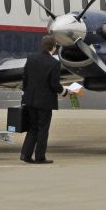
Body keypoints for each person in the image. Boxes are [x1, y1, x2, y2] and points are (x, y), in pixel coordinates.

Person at [20, 35, 69, 164]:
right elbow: (55, 84)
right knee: (43, 129)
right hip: (45, 102)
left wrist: (26, 94)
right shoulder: (54, 63)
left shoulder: (31, 59)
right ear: (53, 47)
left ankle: (25, 154)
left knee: (32, 128)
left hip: (30, 100)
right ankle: (40, 157)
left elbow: (25, 79)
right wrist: (65, 92)